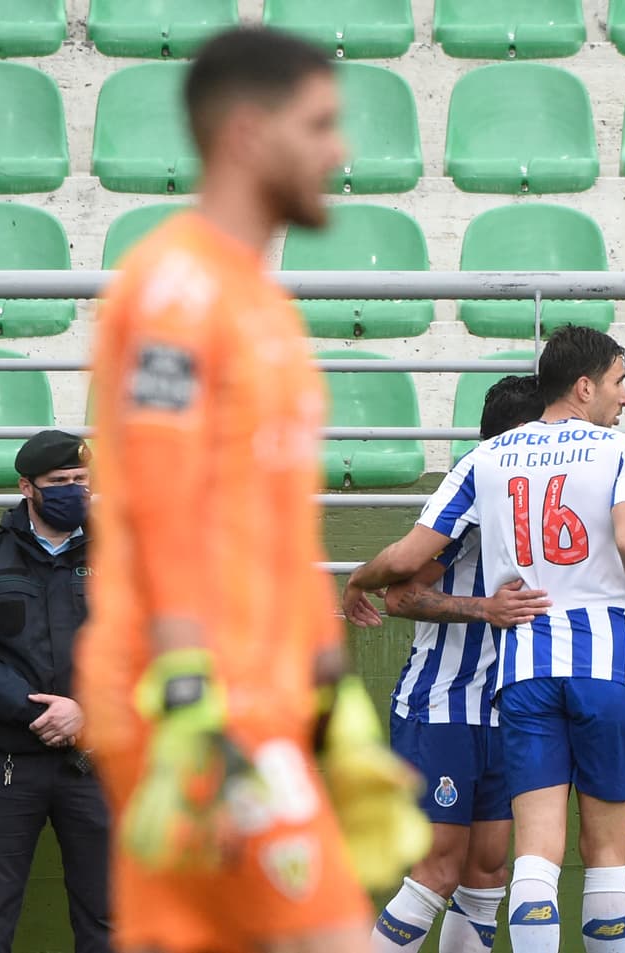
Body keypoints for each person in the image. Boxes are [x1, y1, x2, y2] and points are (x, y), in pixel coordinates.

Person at [76, 26, 404, 953]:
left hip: (260, 693)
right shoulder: (176, 291)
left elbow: (276, 519)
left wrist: (332, 692)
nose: (340, 150)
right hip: (198, 699)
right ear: (250, 135)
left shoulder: (264, 304)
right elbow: (159, 497)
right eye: (320, 123)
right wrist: (186, 693)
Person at [343, 325, 625, 953]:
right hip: (604, 666)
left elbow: (408, 555)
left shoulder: (486, 459)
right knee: (604, 855)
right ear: (585, 386)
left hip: (523, 671)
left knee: (529, 859)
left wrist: (357, 577)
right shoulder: (623, 451)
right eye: (620, 382)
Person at [370, 375, 549, 953]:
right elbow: (399, 596)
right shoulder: (472, 499)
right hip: (443, 705)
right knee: (438, 871)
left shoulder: (549, 500)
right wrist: (485, 609)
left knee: (488, 872)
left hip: (508, 710)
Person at [0, 430, 110, 953]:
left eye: (81, 481)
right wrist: (40, 712)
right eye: (58, 482)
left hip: (97, 762)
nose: (73, 490)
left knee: (111, 917)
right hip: (6, 767)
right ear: (27, 487)